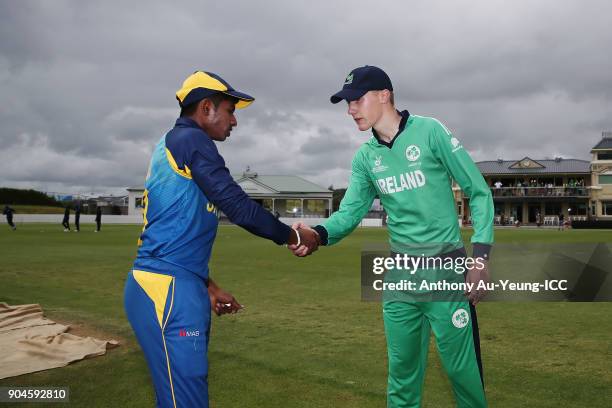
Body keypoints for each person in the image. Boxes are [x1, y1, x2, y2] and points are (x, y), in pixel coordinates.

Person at [290, 65, 493, 407]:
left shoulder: (430, 131)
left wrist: (481, 256)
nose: (350, 109)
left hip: (445, 272)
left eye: (357, 100)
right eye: (347, 103)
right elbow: (350, 212)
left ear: (384, 96)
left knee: (463, 374)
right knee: (401, 375)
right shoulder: (366, 158)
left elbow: (479, 192)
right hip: (399, 276)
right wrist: (318, 234)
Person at [124, 70, 319, 408]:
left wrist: (208, 286)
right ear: (205, 108)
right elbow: (238, 206)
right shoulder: (190, 140)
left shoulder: (176, 143)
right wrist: (293, 236)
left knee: (178, 398)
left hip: (174, 283)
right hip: (168, 290)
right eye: (230, 111)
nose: (234, 122)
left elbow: (175, 233)